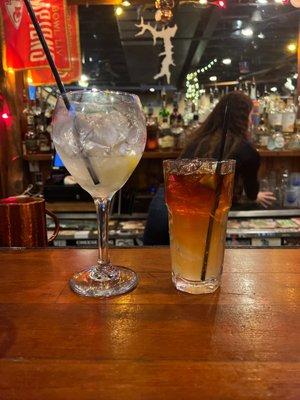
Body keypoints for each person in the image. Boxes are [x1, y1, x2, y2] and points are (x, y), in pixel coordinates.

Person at [143, 91, 276, 245]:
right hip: (194, 213)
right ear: (243, 117)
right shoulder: (246, 150)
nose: (252, 121)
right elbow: (252, 194)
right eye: (250, 115)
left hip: (162, 206)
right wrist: (256, 195)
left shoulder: (197, 140)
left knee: (158, 263)